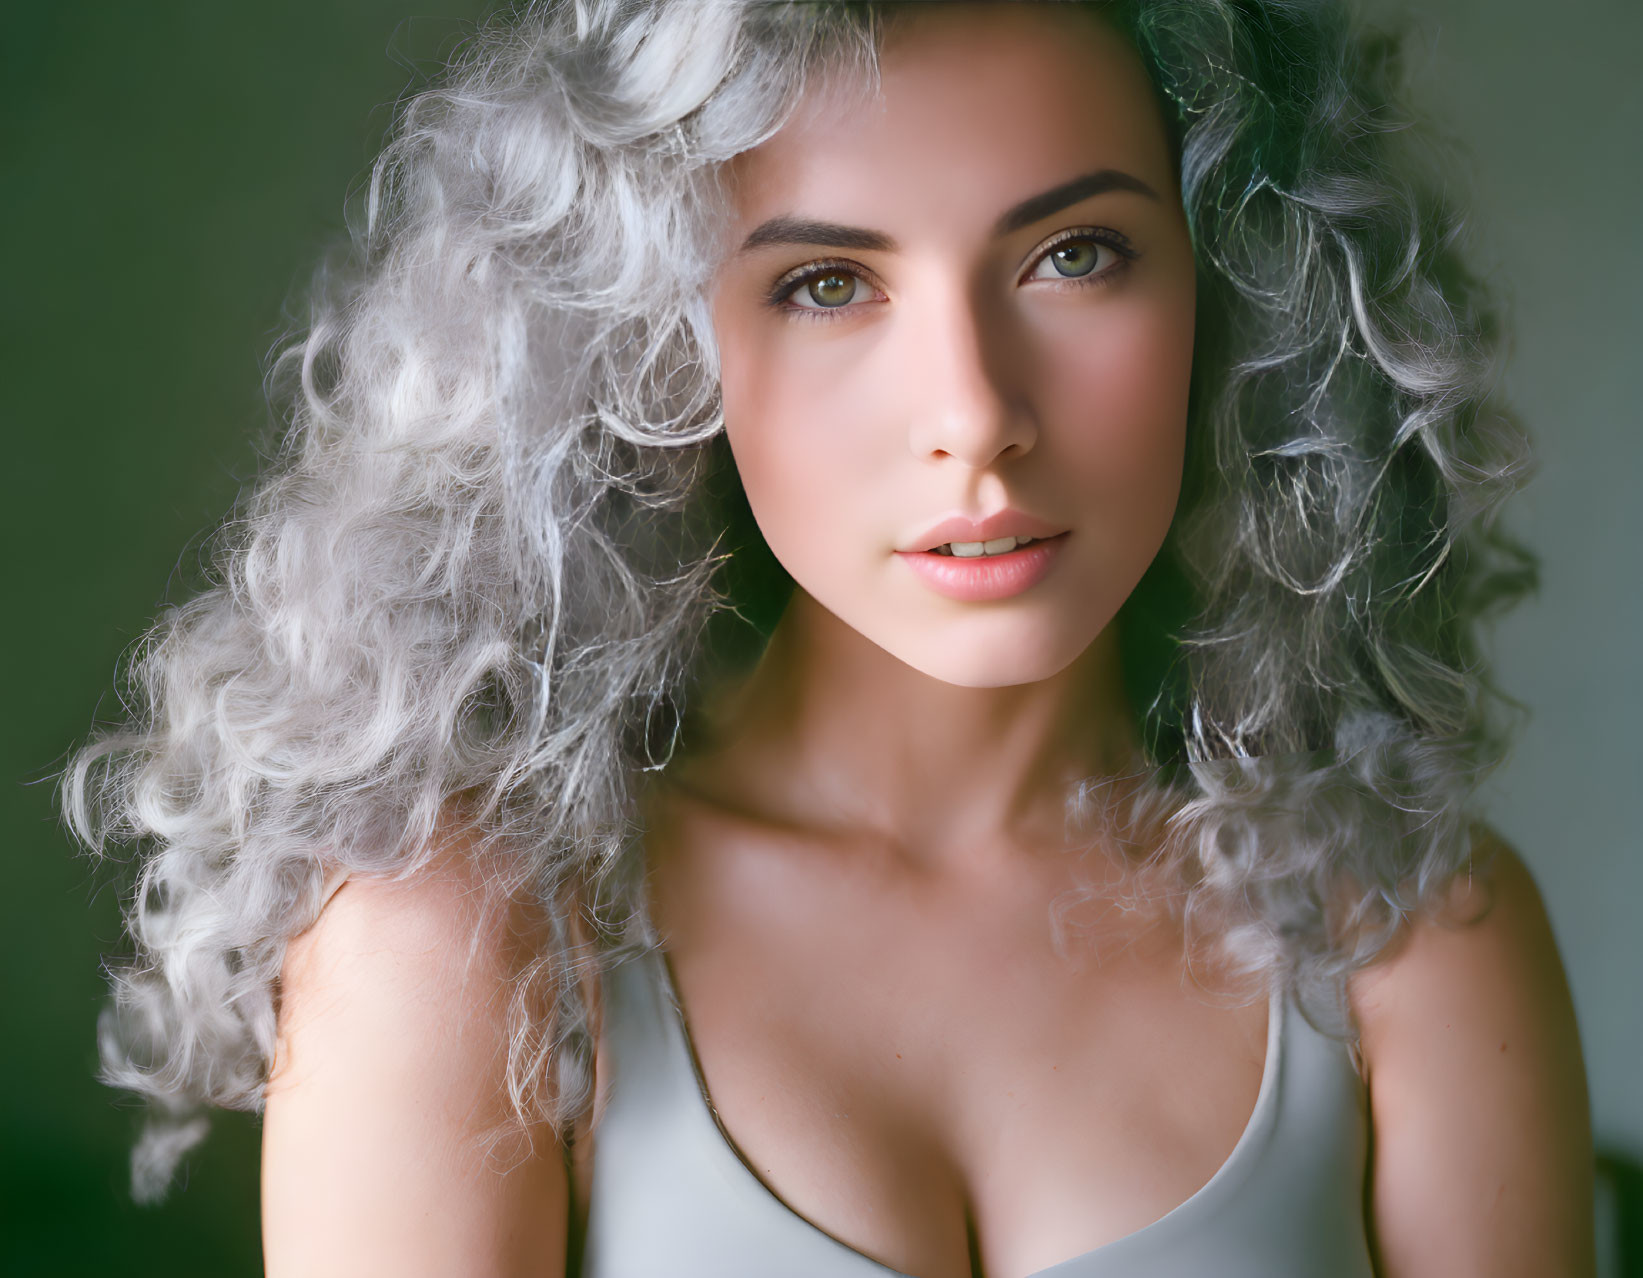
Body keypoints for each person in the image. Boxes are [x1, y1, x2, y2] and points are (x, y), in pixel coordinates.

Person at [61, 0, 1595, 1274]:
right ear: (652, 345)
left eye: (1076, 255)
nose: (976, 417)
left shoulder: (1411, 942)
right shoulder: (474, 944)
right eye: (827, 284)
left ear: (1239, 287)